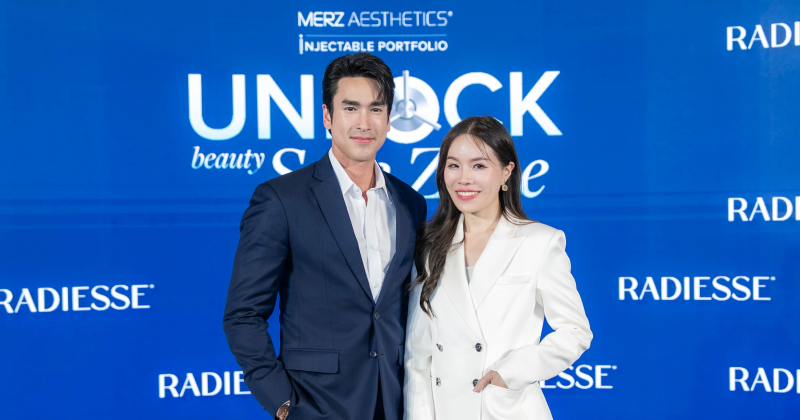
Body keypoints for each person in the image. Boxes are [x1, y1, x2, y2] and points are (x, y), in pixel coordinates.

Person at [223, 53, 426, 420]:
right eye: (350, 108)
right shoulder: (281, 199)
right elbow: (243, 315)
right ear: (328, 117)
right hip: (316, 405)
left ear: (388, 119)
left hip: (398, 402)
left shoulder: (410, 203)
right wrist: (284, 404)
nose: (364, 123)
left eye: (375, 109)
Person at [404, 116, 592, 420]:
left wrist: (513, 370)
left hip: (505, 408)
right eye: (453, 165)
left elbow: (575, 331)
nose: (464, 178)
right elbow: (417, 355)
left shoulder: (540, 242)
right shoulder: (429, 245)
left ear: (507, 171)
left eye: (479, 166)